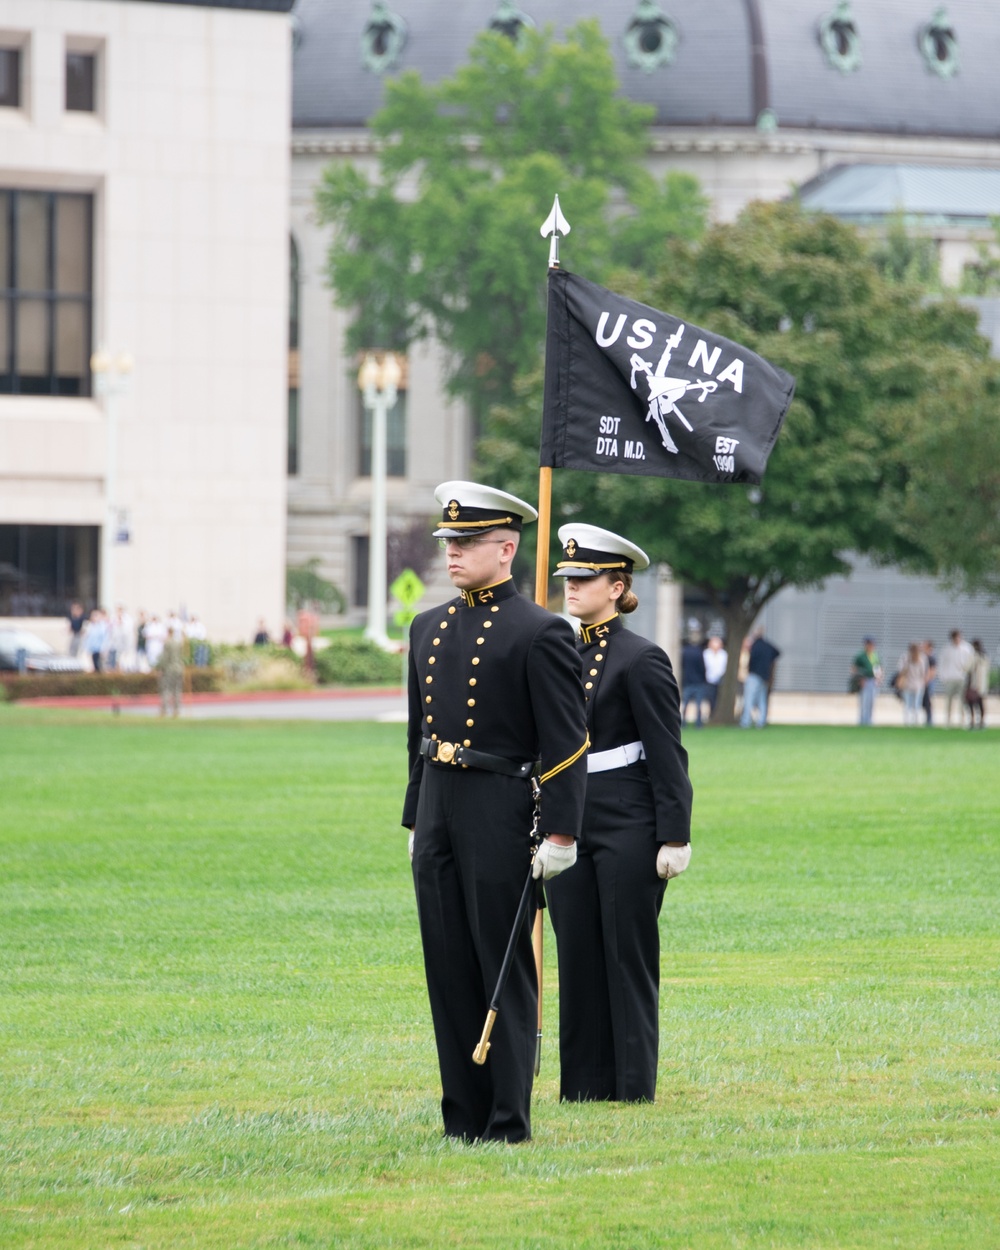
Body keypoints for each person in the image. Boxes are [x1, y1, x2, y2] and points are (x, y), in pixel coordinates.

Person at [403, 481, 589, 1144]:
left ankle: (508, 1118)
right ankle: (464, 1117)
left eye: (467, 541)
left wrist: (562, 831)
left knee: (502, 964)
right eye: (448, 541)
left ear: (506, 548)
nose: (451, 552)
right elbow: (417, 735)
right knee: (447, 965)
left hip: (501, 806)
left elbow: (567, 744)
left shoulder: (540, 632)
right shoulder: (427, 628)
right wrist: (414, 822)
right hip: (440, 808)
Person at [547, 525, 692, 1103]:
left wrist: (674, 835)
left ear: (617, 586)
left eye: (584, 578)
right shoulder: (558, 649)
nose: (572, 587)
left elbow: (667, 752)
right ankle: (582, 1086)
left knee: (625, 955)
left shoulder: (641, 658)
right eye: (568, 577)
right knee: (577, 953)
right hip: (571, 815)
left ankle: (632, 1086)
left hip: (629, 820)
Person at [740, 629, 781, 728]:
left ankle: (746, 721)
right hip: (765, 676)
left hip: (754, 675)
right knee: (762, 700)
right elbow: (777, 652)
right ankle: (761, 721)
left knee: (748, 699)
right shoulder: (767, 646)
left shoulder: (755, 647)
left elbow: (751, 660)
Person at [937, 629, 973, 726]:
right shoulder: (946, 649)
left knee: (963, 700)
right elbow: (941, 664)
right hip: (950, 678)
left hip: (962, 679)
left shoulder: (967, 648)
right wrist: (943, 677)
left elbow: (971, 663)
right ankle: (948, 721)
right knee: (948, 700)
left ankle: (962, 720)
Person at [680, 624, 709, 727]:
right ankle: (698, 723)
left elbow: (682, 665)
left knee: (685, 703)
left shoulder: (685, 651)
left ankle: (683, 723)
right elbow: (702, 667)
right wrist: (704, 678)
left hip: (687, 680)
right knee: (698, 704)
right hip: (699, 681)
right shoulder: (699, 652)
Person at [895, 642, 928, 727]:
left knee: (915, 705)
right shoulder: (905, 658)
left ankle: (914, 722)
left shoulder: (922, 658)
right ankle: (910, 722)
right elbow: (901, 671)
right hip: (909, 685)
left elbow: (923, 673)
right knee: (910, 705)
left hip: (917, 685)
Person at [851, 636, 882, 726]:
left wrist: (879, 677)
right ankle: (863, 721)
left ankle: (870, 721)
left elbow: (878, 667)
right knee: (864, 702)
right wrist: (859, 679)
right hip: (864, 681)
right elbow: (854, 669)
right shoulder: (861, 656)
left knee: (872, 702)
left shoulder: (875, 655)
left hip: (873, 680)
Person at [156, 625, 185, 717]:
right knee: (177, 690)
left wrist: (160, 668)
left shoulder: (167, 643)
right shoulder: (178, 643)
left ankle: (164, 710)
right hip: (179, 668)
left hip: (169, 669)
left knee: (166, 690)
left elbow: (165, 658)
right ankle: (176, 710)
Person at [965, 639, 990, 729]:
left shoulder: (974, 656)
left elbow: (967, 668)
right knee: (980, 703)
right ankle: (981, 721)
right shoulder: (985, 657)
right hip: (983, 685)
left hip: (974, 684)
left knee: (971, 702)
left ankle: (972, 720)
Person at [703, 633, 728, 719]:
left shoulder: (724, 654)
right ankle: (711, 714)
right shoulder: (706, 654)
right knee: (711, 698)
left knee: (719, 698)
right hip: (709, 679)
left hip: (721, 679)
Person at [921, 640, 937, 727]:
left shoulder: (931, 658)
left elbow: (932, 671)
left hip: (928, 683)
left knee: (928, 702)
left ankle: (929, 720)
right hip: (922, 682)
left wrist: (926, 681)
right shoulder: (923, 657)